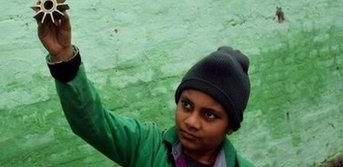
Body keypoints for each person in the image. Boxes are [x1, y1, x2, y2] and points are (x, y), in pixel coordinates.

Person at [37, 13, 253, 167]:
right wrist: (63, 57)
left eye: (209, 114)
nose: (191, 122)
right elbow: (92, 123)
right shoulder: (146, 146)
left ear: (230, 127)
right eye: (186, 105)